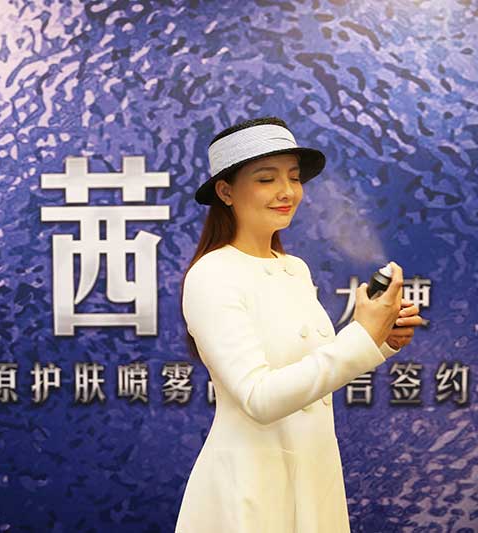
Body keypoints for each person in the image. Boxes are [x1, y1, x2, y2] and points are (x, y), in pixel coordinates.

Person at [174, 116, 424, 533]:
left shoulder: (294, 268)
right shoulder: (211, 274)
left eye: (293, 177)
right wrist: (361, 336)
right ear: (225, 191)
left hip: (312, 475)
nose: (287, 191)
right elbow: (259, 397)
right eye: (266, 179)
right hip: (250, 490)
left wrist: (381, 340)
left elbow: (311, 374)